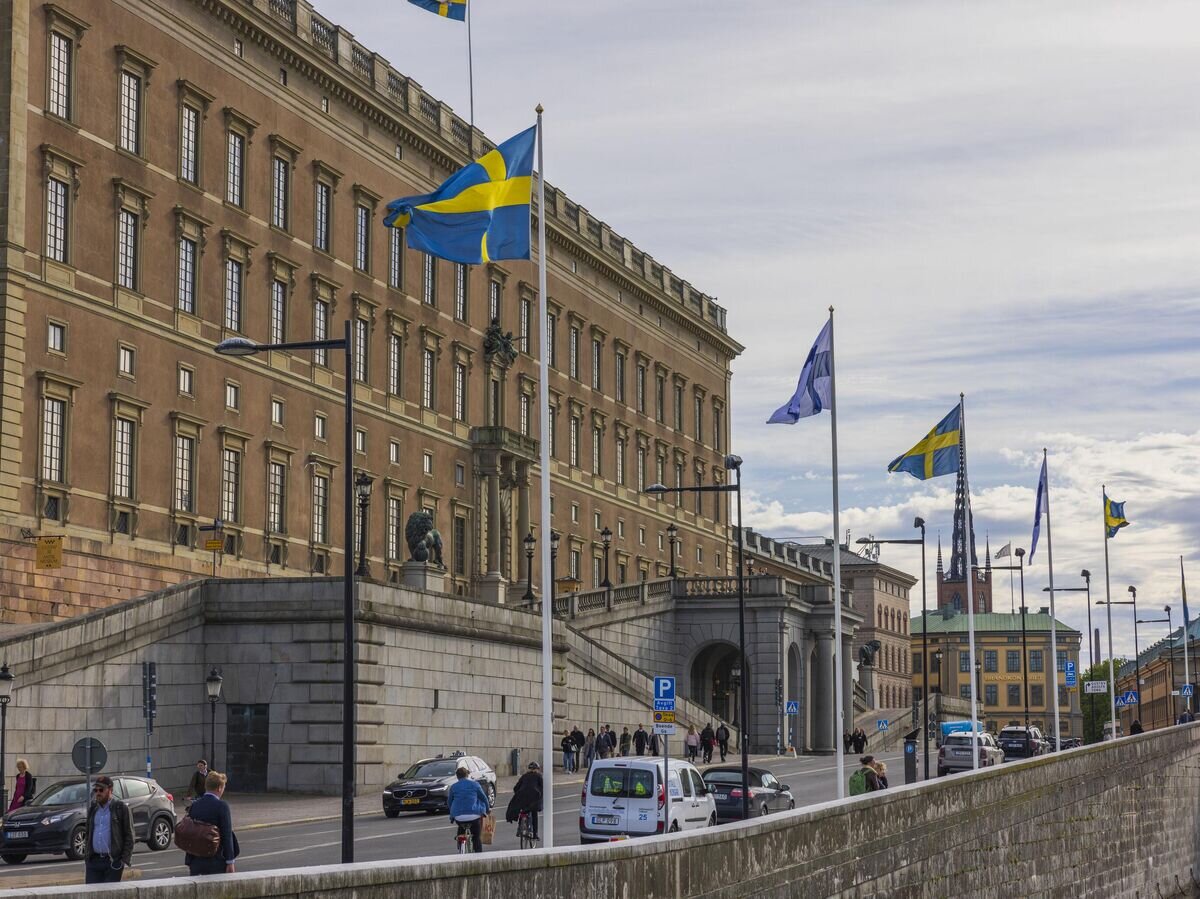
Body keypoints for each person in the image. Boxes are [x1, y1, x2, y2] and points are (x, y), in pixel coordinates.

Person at [185, 770, 239, 876]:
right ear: (219, 788)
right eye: (223, 788)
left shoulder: (195, 805)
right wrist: (230, 861)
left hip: (196, 861)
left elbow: (191, 833)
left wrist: (190, 861)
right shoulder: (222, 806)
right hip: (216, 861)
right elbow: (227, 835)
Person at [83, 775, 134, 884]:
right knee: (91, 892)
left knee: (110, 892)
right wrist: (87, 857)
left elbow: (129, 835)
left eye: (101, 790)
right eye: (96, 790)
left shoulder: (120, 808)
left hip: (112, 861)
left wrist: (123, 860)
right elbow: (88, 833)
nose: (98, 793)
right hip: (94, 861)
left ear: (110, 790)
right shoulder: (93, 809)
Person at [447, 766, 490, 853]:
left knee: (461, 828)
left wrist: (452, 814)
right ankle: (478, 855)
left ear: (457, 776)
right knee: (476, 836)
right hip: (474, 816)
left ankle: (460, 844)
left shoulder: (453, 787)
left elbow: (449, 801)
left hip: (458, 817)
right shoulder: (475, 785)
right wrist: (487, 810)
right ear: (467, 775)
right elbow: (484, 799)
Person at [505, 762, 543, 840]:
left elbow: (516, 788)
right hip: (533, 797)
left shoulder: (524, 776)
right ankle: (535, 834)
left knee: (522, 810)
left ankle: (520, 828)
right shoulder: (538, 776)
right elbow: (542, 788)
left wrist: (518, 794)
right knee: (534, 813)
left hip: (522, 796)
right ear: (537, 769)